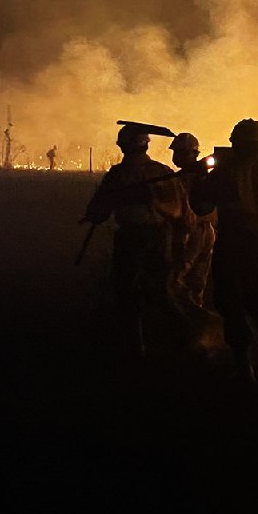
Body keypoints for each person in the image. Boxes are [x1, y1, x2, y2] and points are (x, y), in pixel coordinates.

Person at [190, 119, 258, 387]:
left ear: (235, 143)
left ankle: (245, 368)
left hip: (235, 244)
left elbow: (201, 207)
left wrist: (200, 176)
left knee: (232, 304)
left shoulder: (224, 172)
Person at [82, 123, 184, 354]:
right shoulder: (158, 172)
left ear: (122, 146)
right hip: (149, 237)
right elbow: (176, 210)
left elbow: (98, 212)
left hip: (143, 238)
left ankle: (171, 337)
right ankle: (165, 340)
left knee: (138, 293)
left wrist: (149, 200)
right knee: (153, 292)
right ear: (146, 145)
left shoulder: (129, 175)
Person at [167, 132, 216, 311]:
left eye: (181, 153)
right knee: (196, 281)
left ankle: (188, 321)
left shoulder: (192, 178)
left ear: (193, 154)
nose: (177, 157)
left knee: (179, 277)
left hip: (193, 232)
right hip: (204, 229)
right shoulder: (188, 176)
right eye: (176, 152)